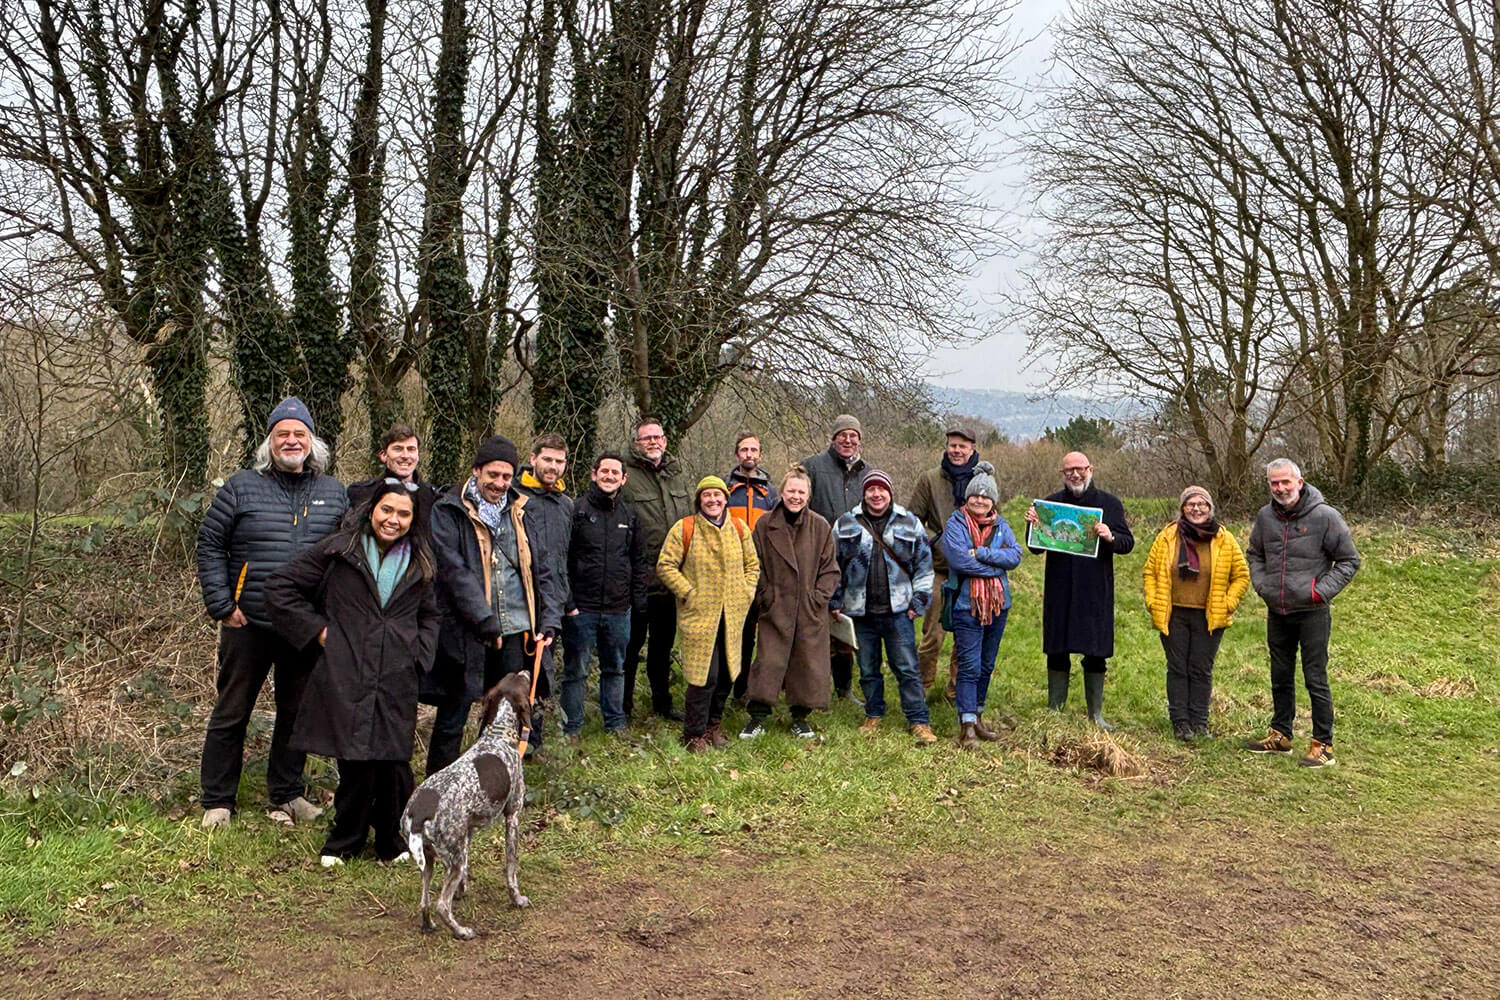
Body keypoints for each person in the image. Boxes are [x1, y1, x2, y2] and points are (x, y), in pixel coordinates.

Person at [264, 479, 441, 865]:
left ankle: (392, 841)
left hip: (396, 674)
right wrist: (319, 631)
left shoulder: (421, 561)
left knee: (394, 761)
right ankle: (344, 841)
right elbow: (280, 587)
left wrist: (419, 653)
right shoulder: (339, 550)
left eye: (403, 514)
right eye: (386, 510)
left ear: (413, 520)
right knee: (357, 759)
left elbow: (430, 615)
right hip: (349, 672)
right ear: (371, 510)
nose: (393, 520)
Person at [195, 397, 348, 829]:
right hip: (249, 622)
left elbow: (345, 556)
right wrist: (222, 605)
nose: (291, 440)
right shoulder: (240, 487)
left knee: (296, 714)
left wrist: (330, 616)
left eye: (299, 433)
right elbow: (210, 545)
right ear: (269, 442)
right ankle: (218, 801)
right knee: (232, 711)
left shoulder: (334, 493)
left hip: (303, 625)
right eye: (283, 434)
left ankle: (287, 794)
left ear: (312, 441)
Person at [425, 436, 561, 773]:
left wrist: (549, 618)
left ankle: (492, 780)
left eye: (506, 476)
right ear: (476, 471)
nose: (499, 484)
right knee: (454, 714)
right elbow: (453, 571)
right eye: (493, 475)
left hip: (515, 631)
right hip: (466, 632)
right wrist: (483, 618)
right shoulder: (448, 510)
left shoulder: (523, 511)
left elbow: (543, 569)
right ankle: (439, 780)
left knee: (505, 716)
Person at [1243, 459, 1360, 767]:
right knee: (1280, 675)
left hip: (1312, 612)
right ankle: (1280, 735)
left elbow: (1349, 561)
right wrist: (1263, 586)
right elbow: (1255, 554)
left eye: (1286, 482)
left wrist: (1319, 592)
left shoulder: (1325, 516)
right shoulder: (1265, 517)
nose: (1280, 488)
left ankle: (1323, 745)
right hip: (1277, 609)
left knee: (1315, 678)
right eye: (1274, 483)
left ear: (1299, 481)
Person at [1024, 451, 1134, 730]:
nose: (1075, 474)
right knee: (1057, 649)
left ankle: (1095, 714)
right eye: (1069, 470)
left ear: (1090, 469)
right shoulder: (1050, 504)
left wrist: (1110, 536)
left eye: (1080, 469)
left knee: (1095, 651)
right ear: (1062, 474)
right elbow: (1034, 548)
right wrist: (1033, 526)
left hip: (1095, 590)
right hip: (1059, 588)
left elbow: (1127, 543)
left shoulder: (1109, 503)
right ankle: (1055, 712)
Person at [832, 469, 938, 746]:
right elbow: (833, 566)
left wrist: (919, 601)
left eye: (882, 489)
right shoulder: (845, 523)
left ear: (890, 493)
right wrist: (835, 600)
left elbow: (924, 566)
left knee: (907, 668)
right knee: (868, 669)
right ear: (864, 493)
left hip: (899, 610)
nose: (876, 494)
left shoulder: (910, 522)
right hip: (860, 612)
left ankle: (918, 720)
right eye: (871, 489)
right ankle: (873, 713)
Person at [656, 476, 760, 751]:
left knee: (726, 673)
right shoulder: (685, 528)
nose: (713, 500)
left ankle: (713, 726)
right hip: (699, 616)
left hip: (732, 616)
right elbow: (665, 565)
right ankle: (693, 734)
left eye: (717, 495)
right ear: (699, 500)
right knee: (704, 676)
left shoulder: (739, 528)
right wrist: (688, 592)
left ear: (725, 499)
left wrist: (746, 592)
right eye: (707, 495)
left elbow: (753, 565)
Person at [740, 465, 840, 739]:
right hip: (775, 607)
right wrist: (764, 596)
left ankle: (800, 717)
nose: (795, 497)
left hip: (809, 609)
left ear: (808, 495)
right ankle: (757, 717)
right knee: (768, 661)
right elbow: (754, 563)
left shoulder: (820, 526)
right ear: (781, 493)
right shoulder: (765, 524)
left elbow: (830, 569)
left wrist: (817, 598)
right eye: (791, 491)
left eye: (801, 492)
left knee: (806, 662)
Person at [1143, 486, 1250, 741]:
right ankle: (1180, 722)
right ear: (1182, 508)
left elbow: (1241, 575)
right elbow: (1150, 572)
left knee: (1201, 669)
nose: (1196, 508)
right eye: (1190, 504)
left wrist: (1228, 603)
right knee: (1177, 668)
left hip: (1209, 615)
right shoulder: (1167, 536)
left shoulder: (1224, 539)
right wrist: (1152, 601)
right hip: (1173, 613)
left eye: (1202, 504)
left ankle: (1199, 723)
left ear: (1210, 508)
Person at [560, 452, 650, 738]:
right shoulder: (576, 511)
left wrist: (636, 603)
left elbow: (639, 562)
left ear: (623, 479)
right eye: (605, 471)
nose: (609, 476)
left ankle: (615, 724)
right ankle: (571, 728)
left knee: (615, 669)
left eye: (615, 473)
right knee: (576, 671)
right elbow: (563, 559)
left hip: (618, 609)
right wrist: (569, 602)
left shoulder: (630, 516)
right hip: (581, 609)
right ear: (594, 473)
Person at [940, 464, 1022, 750]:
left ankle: (978, 716)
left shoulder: (1001, 525)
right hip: (967, 605)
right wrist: (995, 568)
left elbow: (1014, 556)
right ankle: (966, 725)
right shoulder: (955, 524)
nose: (980, 500)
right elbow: (959, 560)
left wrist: (983, 553)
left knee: (986, 664)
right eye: (975, 495)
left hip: (999, 605)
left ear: (993, 501)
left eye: (986, 497)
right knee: (970, 665)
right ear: (967, 497)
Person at [620, 418, 694, 721]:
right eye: (646, 438)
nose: (652, 442)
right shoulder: (627, 476)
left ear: (664, 441)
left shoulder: (676, 476)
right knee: (631, 647)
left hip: (671, 580)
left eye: (657, 437)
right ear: (637, 444)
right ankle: (623, 708)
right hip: (638, 580)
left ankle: (662, 704)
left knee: (662, 649)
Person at [908, 423, 981, 700]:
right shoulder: (929, 479)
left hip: (972, 570)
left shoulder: (981, 481)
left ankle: (956, 689)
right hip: (938, 568)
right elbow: (913, 521)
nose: (956, 451)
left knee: (966, 633)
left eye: (962, 446)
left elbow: (992, 518)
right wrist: (937, 541)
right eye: (952, 445)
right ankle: (922, 686)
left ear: (972, 449)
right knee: (933, 633)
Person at [802, 414, 869, 699]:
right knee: (815, 623)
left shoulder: (868, 473)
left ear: (860, 440)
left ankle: (844, 688)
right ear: (833, 438)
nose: (848, 440)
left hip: (854, 563)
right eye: (843, 434)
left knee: (845, 624)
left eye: (853, 435)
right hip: (815, 558)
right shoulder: (812, 467)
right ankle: (811, 686)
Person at [516, 433, 574, 707]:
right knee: (519, 673)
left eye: (559, 462)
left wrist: (568, 600)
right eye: (547, 459)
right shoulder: (516, 497)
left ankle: (535, 726)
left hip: (555, 603)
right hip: (523, 600)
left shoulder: (566, 505)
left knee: (544, 673)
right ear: (533, 459)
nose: (553, 466)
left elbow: (566, 555)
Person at [726, 430, 778, 705]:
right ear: (737, 454)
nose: (749, 454)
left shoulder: (770, 493)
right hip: (730, 573)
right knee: (731, 634)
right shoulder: (725, 489)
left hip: (761, 572)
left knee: (754, 636)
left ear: (760, 455)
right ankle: (724, 686)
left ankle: (746, 690)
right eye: (744, 450)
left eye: (753, 450)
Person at [346, 422, 437, 526]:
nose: (405, 455)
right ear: (383, 455)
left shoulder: (432, 498)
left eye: (411, 449)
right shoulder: (361, 493)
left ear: (418, 456)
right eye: (398, 449)